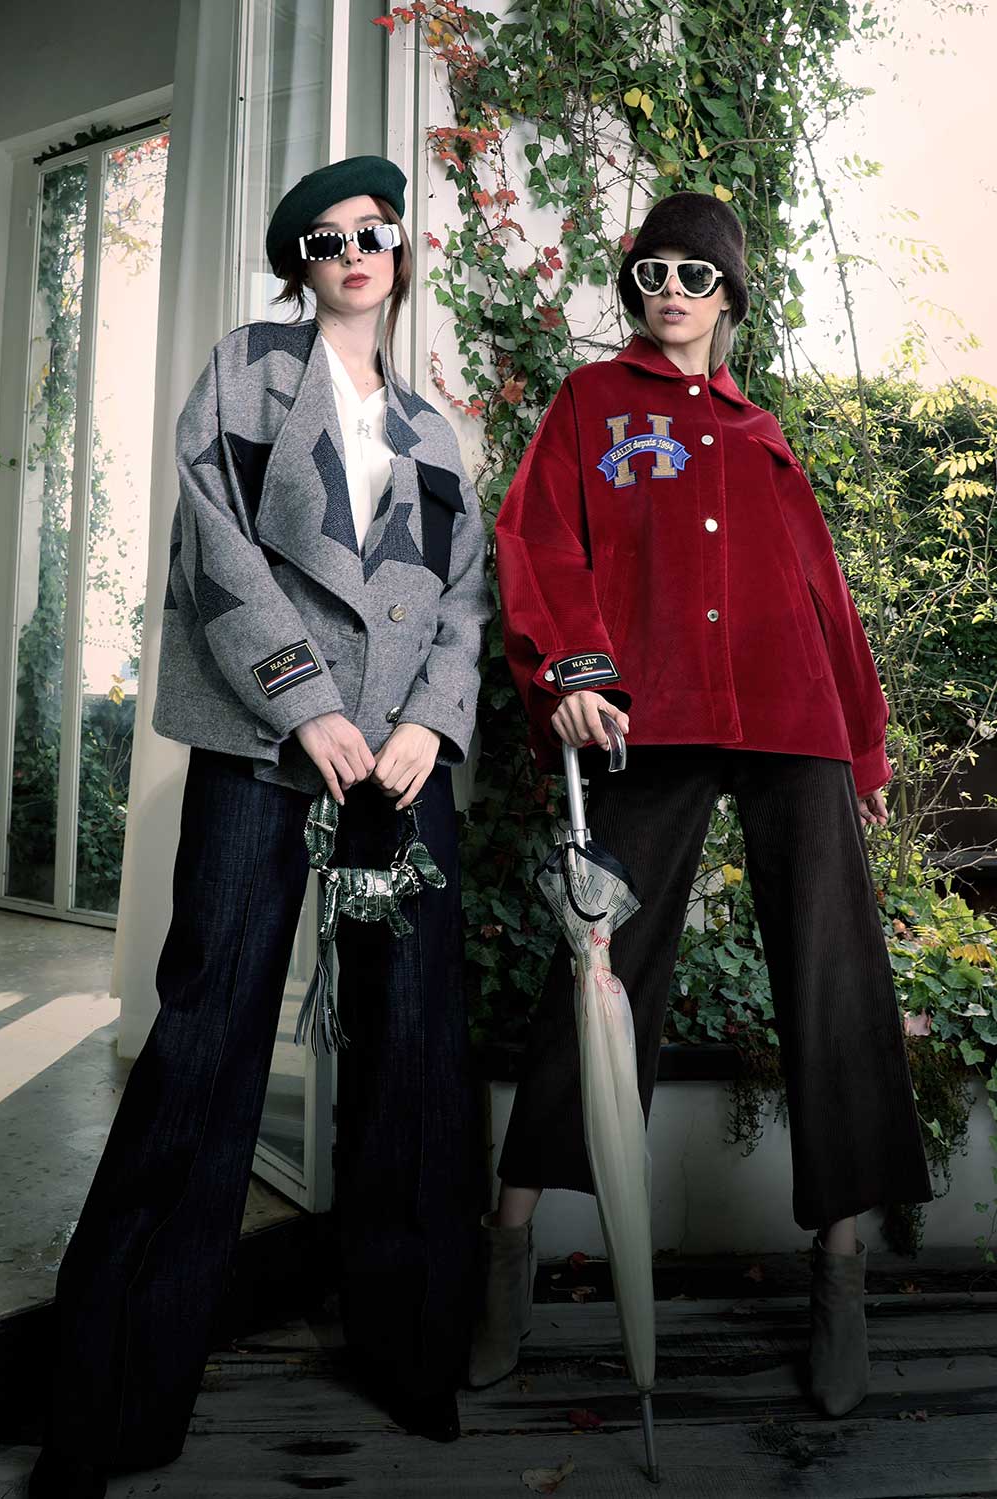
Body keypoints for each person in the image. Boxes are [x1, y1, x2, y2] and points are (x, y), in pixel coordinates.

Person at [30, 155, 490, 1499]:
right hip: (263, 747)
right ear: (301, 265)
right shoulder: (246, 371)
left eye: (375, 231)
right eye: (328, 238)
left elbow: (465, 600)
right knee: (206, 1039)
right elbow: (215, 547)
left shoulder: (436, 431)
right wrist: (306, 706)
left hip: (401, 767)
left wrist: (427, 728)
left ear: (399, 253)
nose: (356, 251)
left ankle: (413, 1349)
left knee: (415, 1043)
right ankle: (109, 1394)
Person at [472, 190, 933, 1417]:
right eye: (650, 271)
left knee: (832, 970)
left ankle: (840, 1271)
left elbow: (823, 594)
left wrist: (863, 748)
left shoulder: (758, 431)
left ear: (728, 294)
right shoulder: (590, 403)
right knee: (599, 966)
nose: (667, 290)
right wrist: (573, 673)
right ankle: (506, 1247)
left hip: (792, 719)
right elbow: (537, 542)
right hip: (651, 712)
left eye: (692, 273)